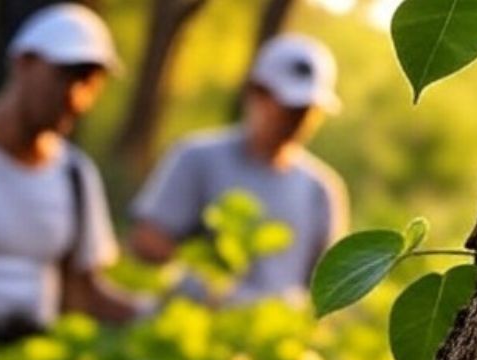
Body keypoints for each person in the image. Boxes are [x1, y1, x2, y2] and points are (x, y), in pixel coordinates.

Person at [0, 3, 138, 339]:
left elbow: (81, 292)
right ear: (23, 62)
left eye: (88, 82)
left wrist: (157, 309)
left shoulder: (75, 175)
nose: (75, 97)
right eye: (64, 75)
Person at [129, 34, 350, 305]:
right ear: (255, 92)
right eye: (289, 107)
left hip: (271, 328)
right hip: (196, 318)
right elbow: (146, 240)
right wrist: (206, 275)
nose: (297, 120)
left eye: (306, 111)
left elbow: (330, 288)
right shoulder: (197, 157)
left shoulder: (321, 189)